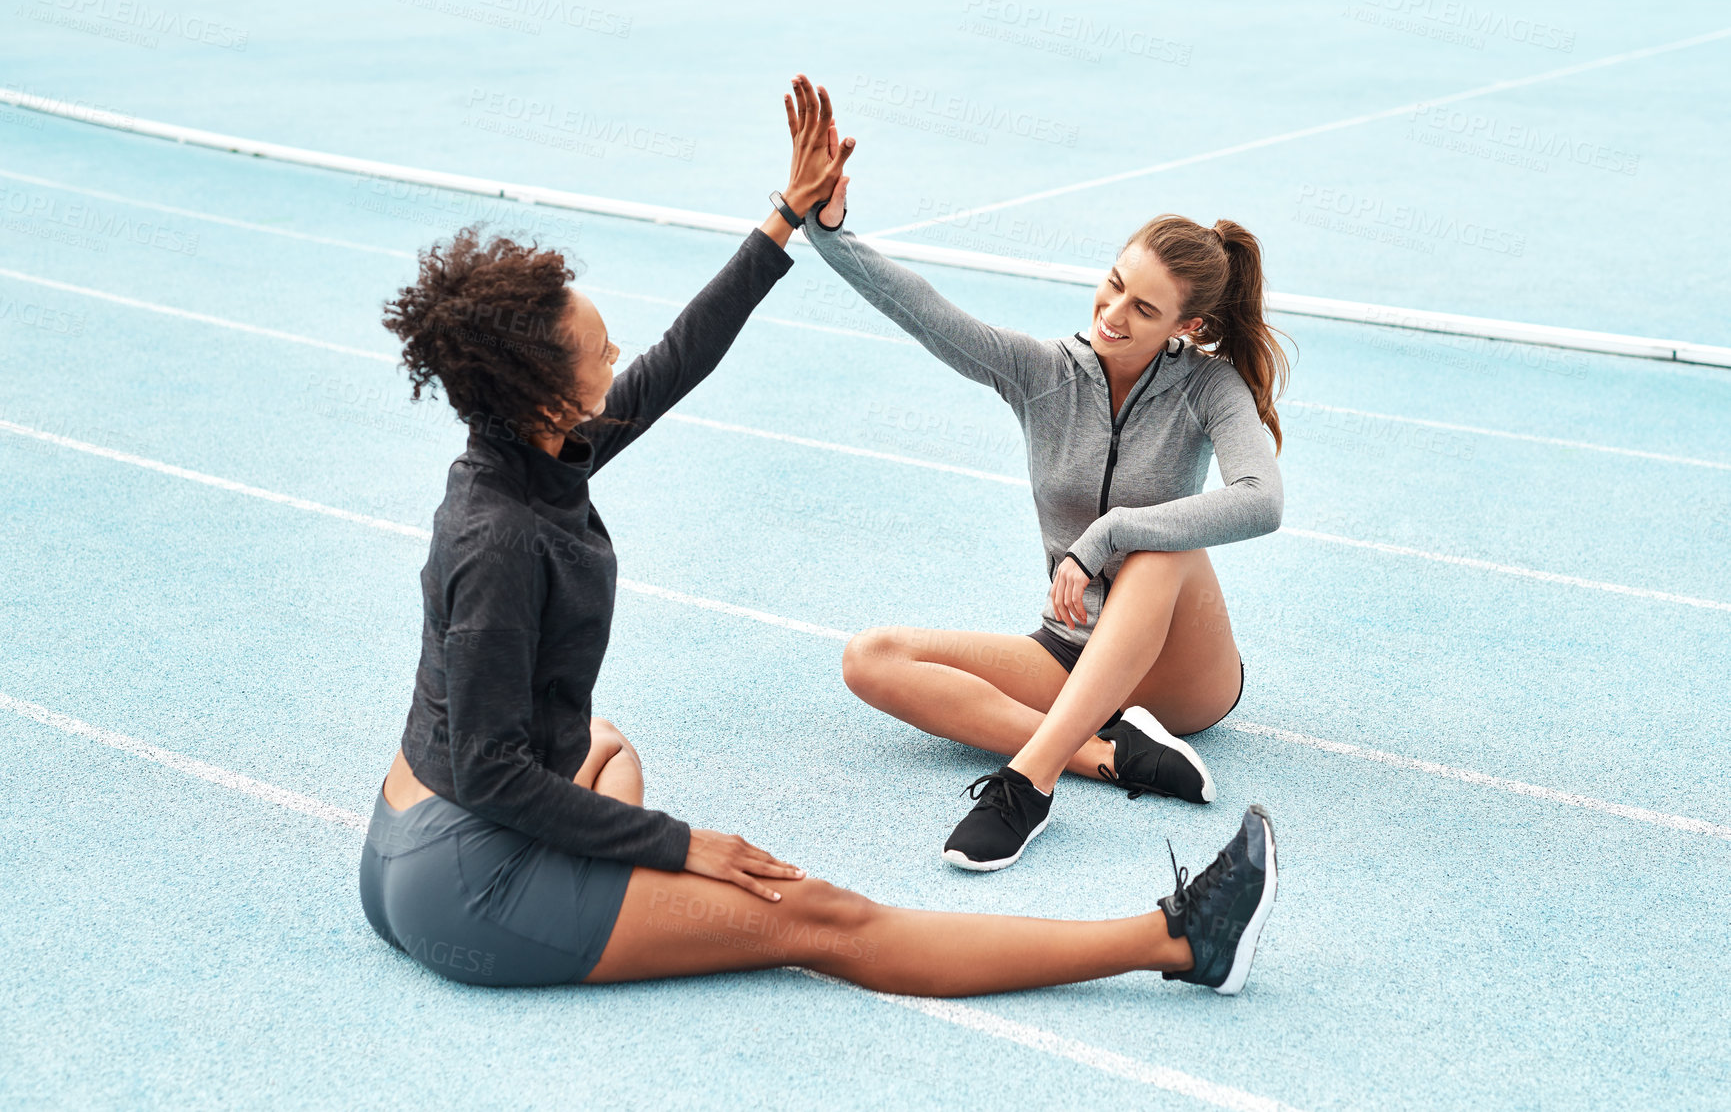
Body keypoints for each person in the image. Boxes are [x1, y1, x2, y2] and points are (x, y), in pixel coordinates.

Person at [357, 76, 1279, 996]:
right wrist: (685, 846)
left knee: (599, 745)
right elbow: (490, 773)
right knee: (825, 918)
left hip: (403, 843)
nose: (617, 355)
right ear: (552, 393)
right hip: (470, 888)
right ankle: (1180, 940)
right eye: (599, 350)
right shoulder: (501, 540)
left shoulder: (525, 450)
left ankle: (622, 900)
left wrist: (789, 219)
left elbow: (678, 357)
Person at [804, 162, 1289, 871]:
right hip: (1072, 649)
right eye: (1115, 283)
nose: (1113, 313)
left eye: (1144, 310)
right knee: (869, 658)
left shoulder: (1208, 387)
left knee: (1158, 545)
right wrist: (829, 234)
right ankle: (1106, 754)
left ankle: (1026, 784)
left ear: (1187, 325)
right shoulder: (1043, 373)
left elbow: (1261, 499)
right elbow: (927, 313)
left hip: (1182, 673)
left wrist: (1110, 533)